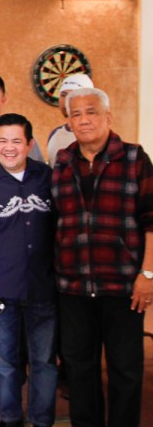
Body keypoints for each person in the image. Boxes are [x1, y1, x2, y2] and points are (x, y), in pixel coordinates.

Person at [51, 87, 153, 427]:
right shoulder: (63, 161)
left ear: (108, 117)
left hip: (123, 285)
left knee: (126, 370)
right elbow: (55, 221)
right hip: (73, 286)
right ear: (68, 121)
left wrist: (148, 274)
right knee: (80, 369)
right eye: (75, 114)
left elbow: (151, 220)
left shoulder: (135, 158)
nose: (83, 120)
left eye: (91, 112)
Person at [0, 113, 57, 427]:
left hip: (45, 286)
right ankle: (11, 418)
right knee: (5, 362)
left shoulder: (47, 177)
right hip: (1, 287)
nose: (9, 148)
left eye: (17, 141)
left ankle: (43, 419)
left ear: (29, 144)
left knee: (44, 361)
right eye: (2, 141)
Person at [46, 73, 93, 166]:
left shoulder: (95, 135)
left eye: (72, 95)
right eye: (63, 95)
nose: (66, 100)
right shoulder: (55, 134)